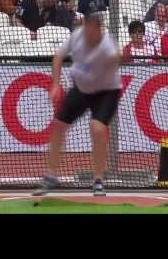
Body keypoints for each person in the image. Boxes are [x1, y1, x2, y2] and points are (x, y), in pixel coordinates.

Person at [33, 11, 122, 197]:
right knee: (58, 125)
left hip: (106, 92)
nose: (89, 33)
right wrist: (56, 84)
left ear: (99, 29)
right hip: (81, 89)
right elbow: (58, 57)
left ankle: (98, 180)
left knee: (97, 128)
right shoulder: (77, 37)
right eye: (86, 28)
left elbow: (115, 61)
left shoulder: (107, 46)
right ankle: (51, 176)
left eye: (93, 30)